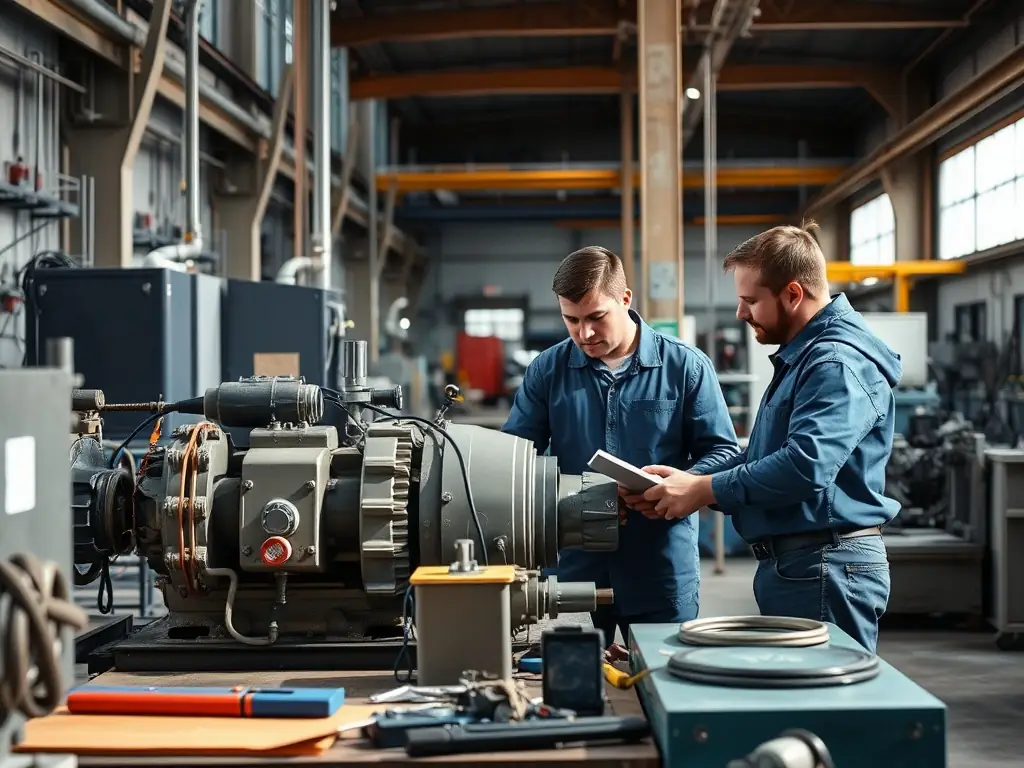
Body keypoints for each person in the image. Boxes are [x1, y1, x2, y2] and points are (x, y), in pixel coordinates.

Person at [620, 223, 901, 654]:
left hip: (823, 566)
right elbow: (771, 451)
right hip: (802, 565)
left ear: (792, 294)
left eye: (750, 300)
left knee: (820, 711)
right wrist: (690, 480)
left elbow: (805, 465)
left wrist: (703, 489)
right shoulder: (806, 357)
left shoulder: (835, 363)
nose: (740, 313)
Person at [502, 245, 740, 648]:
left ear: (625, 300)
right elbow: (512, 460)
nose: (584, 334)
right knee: (568, 685)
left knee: (659, 684)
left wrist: (685, 484)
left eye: (596, 317)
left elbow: (723, 452)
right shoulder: (548, 370)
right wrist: (568, 500)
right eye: (571, 320)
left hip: (660, 566)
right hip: (572, 564)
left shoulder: (685, 367)